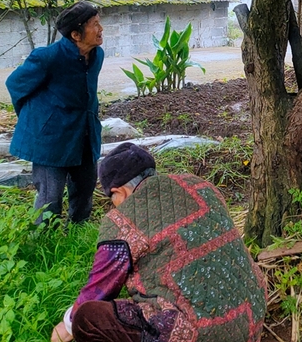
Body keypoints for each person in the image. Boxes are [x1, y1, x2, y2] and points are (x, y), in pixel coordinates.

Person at [50, 142, 267, 342]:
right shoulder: (200, 185)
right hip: (252, 315)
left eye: (112, 199)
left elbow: (100, 288)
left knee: (87, 318)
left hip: (201, 333)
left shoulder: (121, 222)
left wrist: (68, 324)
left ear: (119, 192)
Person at [7, 1, 105, 224]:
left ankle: (78, 232)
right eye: (94, 24)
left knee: (85, 188)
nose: (101, 29)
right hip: (51, 140)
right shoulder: (48, 58)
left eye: (99, 23)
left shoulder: (96, 55)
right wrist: (37, 120)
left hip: (84, 132)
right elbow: (15, 84)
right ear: (76, 35)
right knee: (50, 198)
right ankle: (44, 238)